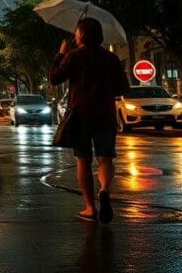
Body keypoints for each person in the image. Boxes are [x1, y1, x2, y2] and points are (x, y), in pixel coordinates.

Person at [48, 18, 129, 224]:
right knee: (105, 158)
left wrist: (61, 54)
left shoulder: (73, 57)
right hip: (105, 114)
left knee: (83, 159)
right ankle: (103, 189)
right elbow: (123, 88)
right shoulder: (111, 58)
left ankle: (90, 208)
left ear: (81, 34)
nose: (74, 35)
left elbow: (54, 78)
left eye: (76, 32)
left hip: (80, 114)